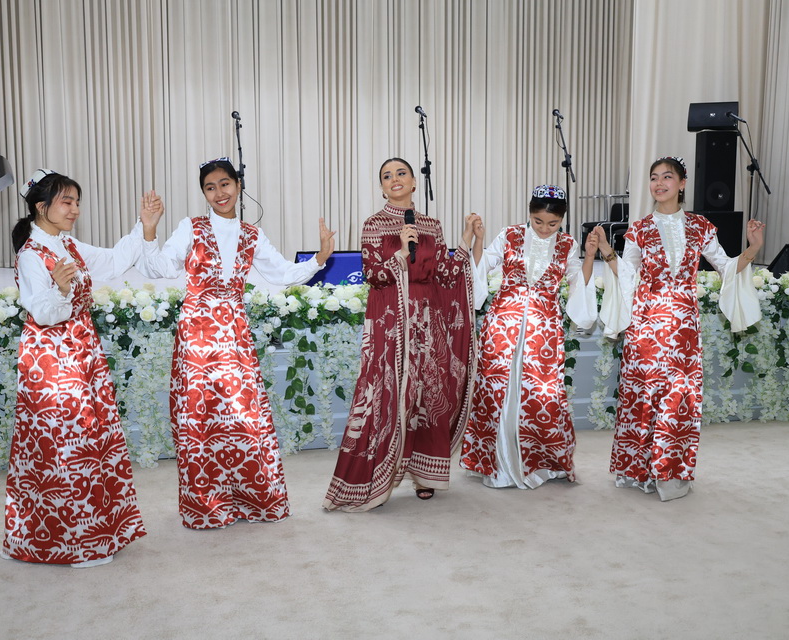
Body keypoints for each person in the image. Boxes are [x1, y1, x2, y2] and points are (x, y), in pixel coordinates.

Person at [136, 157, 335, 529]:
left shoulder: (251, 235)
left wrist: (320, 258)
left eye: (224, 184)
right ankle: (206, 505)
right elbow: (159, 267)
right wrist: (149, 230)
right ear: (204, 193)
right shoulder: (190, 227)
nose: (219, 193)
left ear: (238, 186)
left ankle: (253, 499)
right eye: (210, 187)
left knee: (246, 416)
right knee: (200, 417)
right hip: (197, 334)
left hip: (235, 332)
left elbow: (282, 272)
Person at [4, 169, 160, 566]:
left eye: (76, 201)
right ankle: (76, 543)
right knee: (67, 445)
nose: (74, 209)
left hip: (82, 352)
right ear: (42, 207)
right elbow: (42, 312)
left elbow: (113, 261)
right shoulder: (31, 254)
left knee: (91, 441)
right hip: (52, 358)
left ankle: (96, 533)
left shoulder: (66, 244)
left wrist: (144, 225)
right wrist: (59, 289)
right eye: (66, 202)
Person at [597, 156, 764, 501]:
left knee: (679, 399)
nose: (659, 184)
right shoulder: (639, 229)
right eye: (654, 178)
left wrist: (753, 247)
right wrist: (607, 253)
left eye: (667, 177)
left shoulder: (701, 226)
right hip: (646, 324)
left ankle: (670, 472)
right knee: (644, 396)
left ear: (682, 183)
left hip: (684, 326)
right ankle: (640, 470)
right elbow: (627, 275)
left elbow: (727, 268)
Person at [323, 157, 479, 511]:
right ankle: (374, 478)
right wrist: (400, 252)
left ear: (413, 182)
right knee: (387, 394)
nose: (394, 179)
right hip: (391, 322)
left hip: (427, 322)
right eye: (386, 176)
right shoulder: (374, 224)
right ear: (382, 187)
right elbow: (373, 275)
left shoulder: (431, 225)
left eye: (401, 173)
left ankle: (424, 475)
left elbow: (444, 274)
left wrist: (466, 239)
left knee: (427, 394)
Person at [460, 185, 599, 488]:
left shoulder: (567, 244)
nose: (545, 229)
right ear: (529, 214)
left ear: (562, 220)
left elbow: (579, 283)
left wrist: (589, 256)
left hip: (544, 330)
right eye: (538, 222)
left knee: (542, 395)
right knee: (498, 391)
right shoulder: (510, 235)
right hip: (503, 324)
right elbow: (483, 267)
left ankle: (539, 461)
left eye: (553, 223)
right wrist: (479, 240)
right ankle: (498, 463)